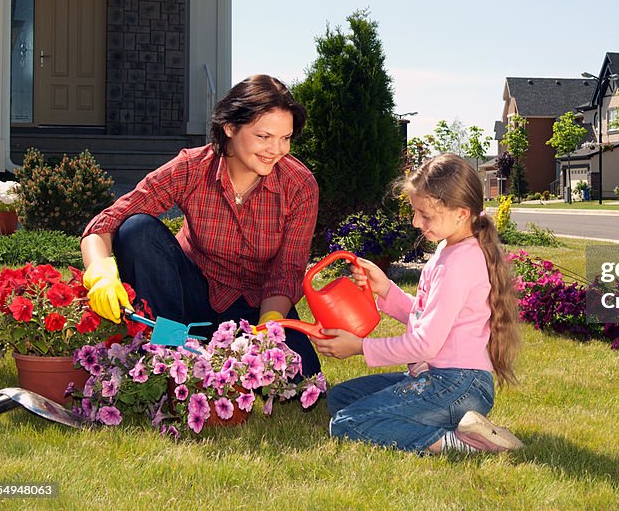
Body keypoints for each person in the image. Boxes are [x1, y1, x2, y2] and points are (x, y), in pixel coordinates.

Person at [80, 74, 321, 377]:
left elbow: (287, 270)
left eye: (285, 138)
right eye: (264, 136)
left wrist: (267, 328)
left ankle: (214, 353)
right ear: (230, 127)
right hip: (188, 299)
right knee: (136, 229)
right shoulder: (192, 168)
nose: (276, 149)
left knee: (303, 377)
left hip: (255, 306)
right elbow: (106, 223)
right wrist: (99, 273)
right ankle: (171, 351)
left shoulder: (299, 186)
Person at [315, 153, 523, 453]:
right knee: (341, 398)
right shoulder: (450, 249)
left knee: (348, 423)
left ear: (461, 213)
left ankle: (459, 444)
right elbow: (429, 314)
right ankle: (458, 423)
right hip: (444, 380)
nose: (416, 222)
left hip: (456, 385)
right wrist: (385, 289)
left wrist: (360, 347)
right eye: (415, 212)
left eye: (425, 214)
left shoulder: (458, 263)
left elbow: (424, 344)